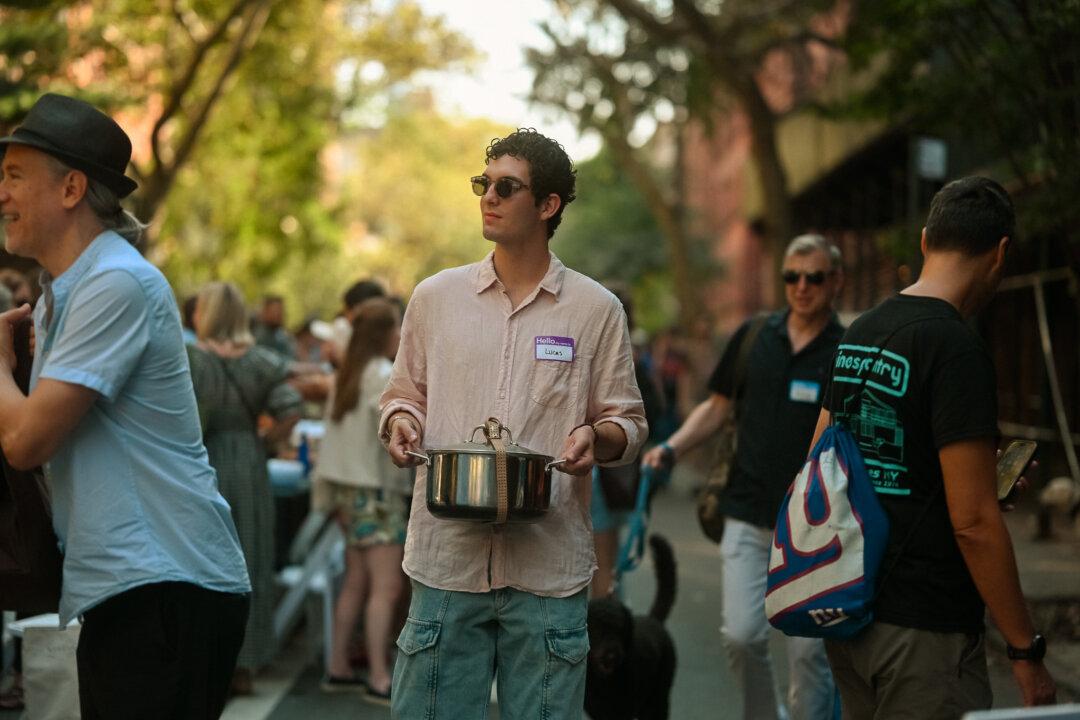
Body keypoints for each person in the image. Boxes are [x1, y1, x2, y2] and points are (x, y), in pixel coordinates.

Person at [380, 128, 647, 718]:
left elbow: (627, 423)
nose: (488, 197)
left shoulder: (595, 309)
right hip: (447, 559)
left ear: (548, 206)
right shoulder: (435, 297)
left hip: (548, 565)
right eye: (484, 183)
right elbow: (402, 396)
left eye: (507, 186)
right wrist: (400, 421)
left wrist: (595, 437)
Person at [0, 92, 250, 718]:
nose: (0, 193)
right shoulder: (66, 289)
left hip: (166, 584)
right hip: (133, 586)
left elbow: (27, 441)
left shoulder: (116, 282)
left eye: (13, 175)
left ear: (71, 189)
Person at [812, 177, 1056, 717]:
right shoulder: (956, 348)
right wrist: (1024, 649)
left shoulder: (860, 331)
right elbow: (972, 522)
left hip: (848, 611)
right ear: (1001, 253)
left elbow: (818, 468)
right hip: (923, 632)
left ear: (925, 242)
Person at [643, 233, 844, 720]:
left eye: (814, 277)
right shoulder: (756, 336)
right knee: (742, 634)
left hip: (815, 526)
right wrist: (670, 446)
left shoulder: (847, 348)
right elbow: (716, 408)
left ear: (835, 281)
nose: (802, 286)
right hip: (746, 509)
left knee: (809, 654)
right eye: (791, 277)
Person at [188, 281, 303, 695]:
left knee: (201, 566)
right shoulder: (261, 361)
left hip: (201, 466)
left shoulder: (190, 361)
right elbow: (291, 410)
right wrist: (266, 443)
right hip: (250, 466)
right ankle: (245, 663)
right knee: (250, 563)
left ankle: (204, 660)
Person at [313, 297, 410, 704]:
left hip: (348, 494)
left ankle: (337, 666)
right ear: (386, 334)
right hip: (377, 493)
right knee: (386, 588)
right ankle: (378, 675)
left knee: (356, 582)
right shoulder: (382, 376)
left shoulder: (347, 375)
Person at [252, 294, 297, 360]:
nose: (278, 314)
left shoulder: (282, 334)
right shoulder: (258, 335)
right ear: (264, 311)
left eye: (280, 310)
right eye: (274, 311)